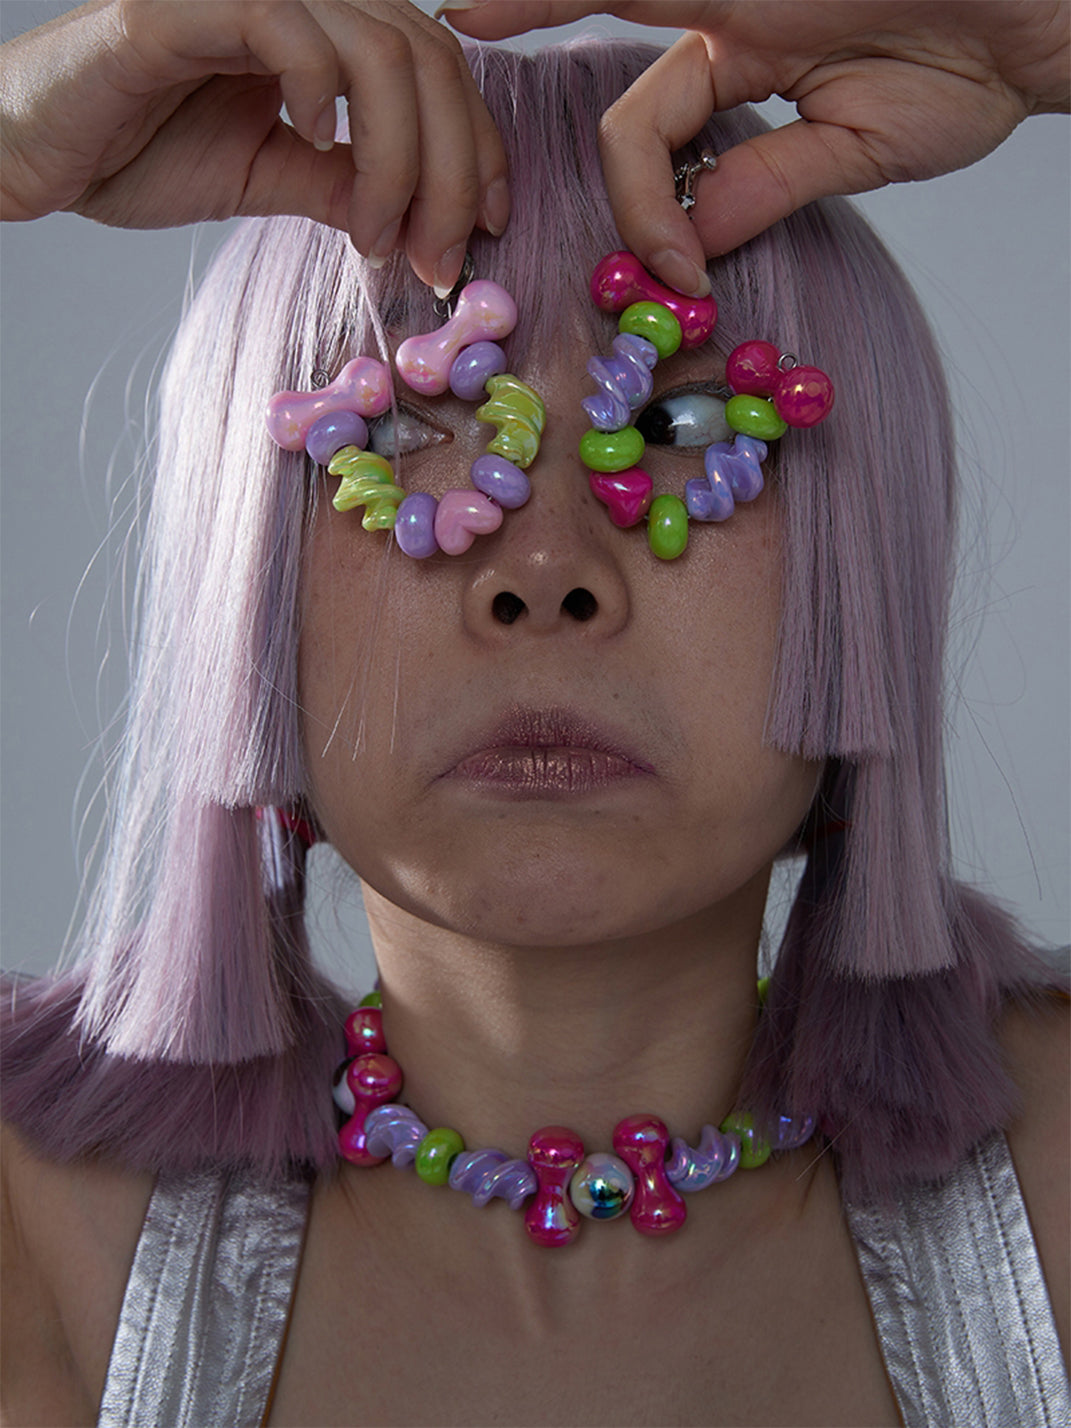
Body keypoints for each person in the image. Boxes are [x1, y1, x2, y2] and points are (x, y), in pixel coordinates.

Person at [1, 3, 1068, 1426]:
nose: (548, 571)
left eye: (685, 425)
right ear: (241, 571)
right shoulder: (33, 1221)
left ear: (859, 559)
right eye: (402, 433)